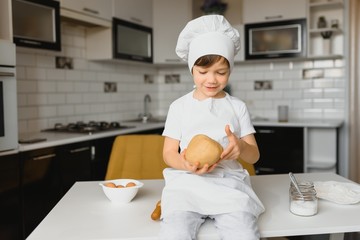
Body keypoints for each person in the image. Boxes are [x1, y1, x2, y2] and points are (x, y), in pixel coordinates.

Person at [159, 15, 265, 240]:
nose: (211, 80)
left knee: (244, 234)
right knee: (174, 233)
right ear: (191, 70)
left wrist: (240, 149)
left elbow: (254, 155)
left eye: (221, 72)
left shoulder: (237, 107)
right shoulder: (179, 107)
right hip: (186, 184)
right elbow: (169, 153)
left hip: (228, 186)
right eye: (203, 72)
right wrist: (186, 165)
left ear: (230, 70)